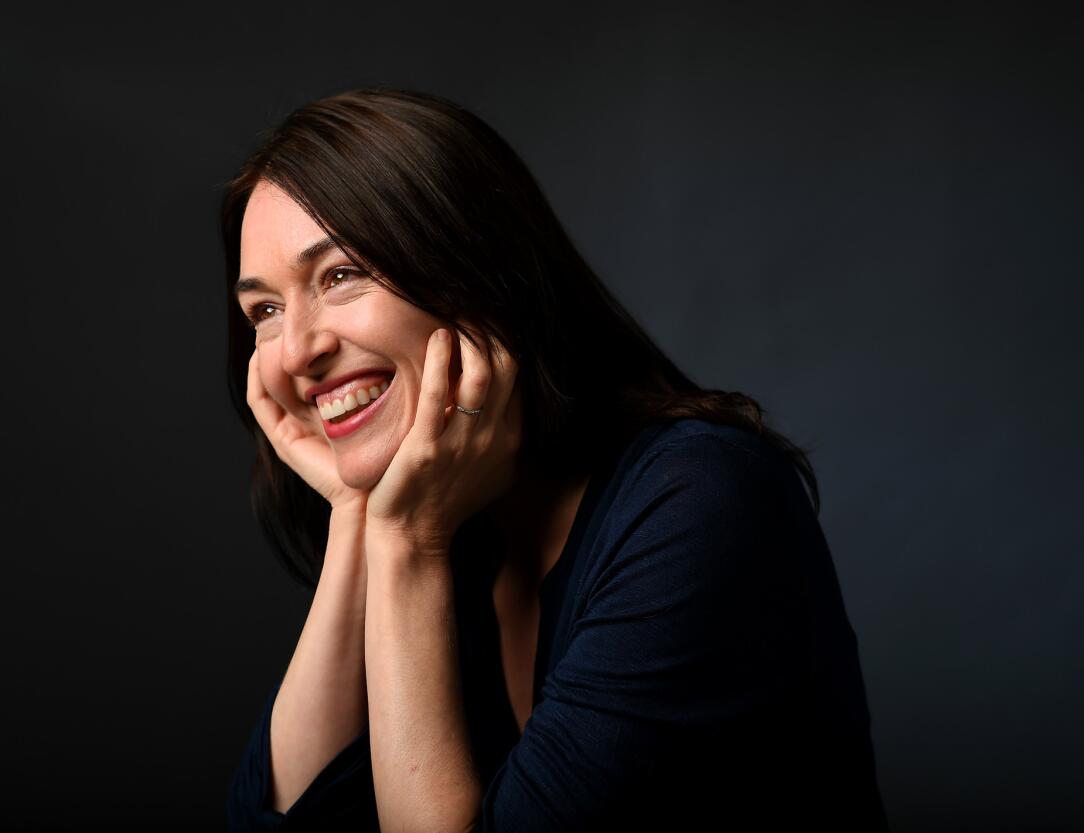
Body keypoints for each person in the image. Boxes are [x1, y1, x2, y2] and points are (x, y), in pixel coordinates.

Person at [221, 87, 888, 832]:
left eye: (340, 275)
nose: (299, 352)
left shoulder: (699, 502)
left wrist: (405, 540)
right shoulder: (452, 528)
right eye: (265, 310)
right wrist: (359, 514)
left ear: (472, 272)